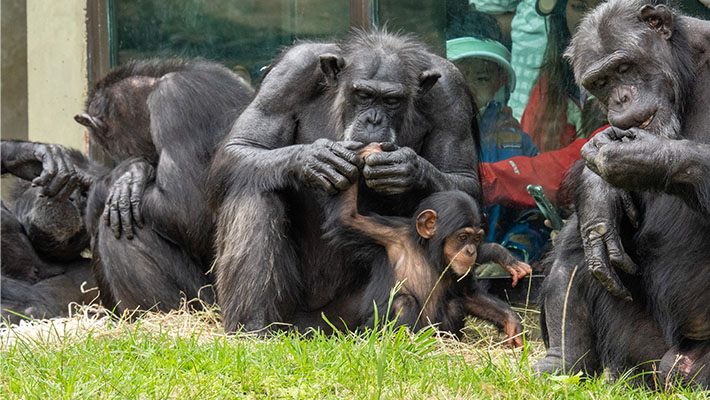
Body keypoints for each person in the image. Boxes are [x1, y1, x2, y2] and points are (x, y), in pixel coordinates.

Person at [520, 0, 604, 151]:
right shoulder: (550, 83)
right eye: (578, 7)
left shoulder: (636, 85)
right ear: (562, 12)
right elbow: (529, 146)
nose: (590, 19)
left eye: (602, 7)